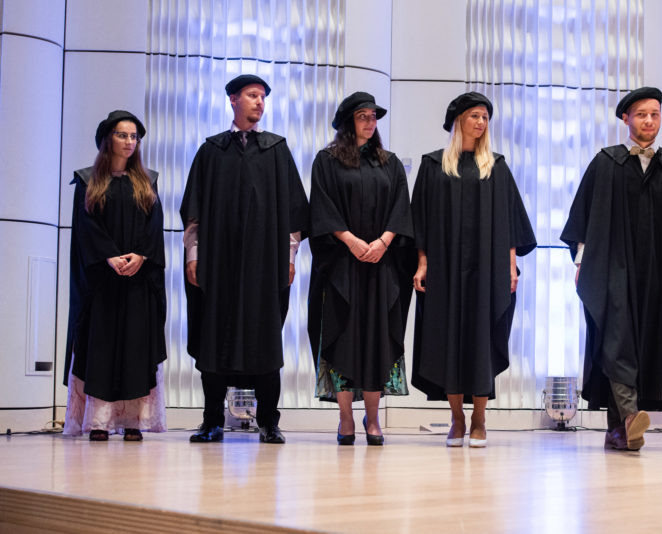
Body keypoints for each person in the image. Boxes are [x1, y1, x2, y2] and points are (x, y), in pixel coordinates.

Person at [561, 87, 662, 451]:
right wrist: (581, 264)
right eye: (641, 114)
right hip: (610, 270)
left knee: (641, 346)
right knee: (616, 337)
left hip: (655, 274)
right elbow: (584, 218)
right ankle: (628, 417)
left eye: (655, 114)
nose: (649, 121)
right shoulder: (605, 164)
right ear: (626, 118)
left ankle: (619, 429)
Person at [180, 74, 309, 444]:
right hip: (218, 265)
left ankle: (269, 421)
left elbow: (294, 212)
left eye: (263, 97)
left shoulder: (276, 150)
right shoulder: (211, 151)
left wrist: (289, 256)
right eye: (253, 95)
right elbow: (194, 212)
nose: (260, 102)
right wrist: (193, 255)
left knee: (264, 339)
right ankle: (212, 421)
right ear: (233, 100)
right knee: (214, 338)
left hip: (264, 266)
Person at [411, 92, 536, 448]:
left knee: (482, 339)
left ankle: (479, 419)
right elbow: (421, 219)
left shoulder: (496, 167)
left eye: (485, 117)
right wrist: (422, 263)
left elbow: (510, 223)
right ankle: (456, 419)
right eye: (475, 116)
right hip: (445, 268)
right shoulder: (434, 165)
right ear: (459, 121)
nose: (481, 123)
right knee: (448, 339)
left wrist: (511, 268)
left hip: (488, 269)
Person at [307, 92, 415, 446]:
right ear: (347, 122)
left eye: (373, 116)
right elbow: (321, 208)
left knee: (376, 341)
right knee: (343, 338)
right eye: (362, 116)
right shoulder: (327, 161)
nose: (370, 122)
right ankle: (345, 418)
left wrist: (383, 242)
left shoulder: (389, 163)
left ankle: (373, 418)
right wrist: (350, 240)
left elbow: (401, 208)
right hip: (341, 267)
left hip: (381, 266)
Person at [64, 110, 167, 441]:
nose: (129, 142)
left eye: (134, 137)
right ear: (108, 138)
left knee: (136, 349)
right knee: (102, 348)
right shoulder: (88, 181)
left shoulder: (147, 181)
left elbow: (154, 226)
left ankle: (134, 421)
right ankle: (99, 421)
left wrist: (141, 255)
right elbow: (86, 226)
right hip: (102, 282)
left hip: (138, 280)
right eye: (123, 135)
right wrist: (108, 256)